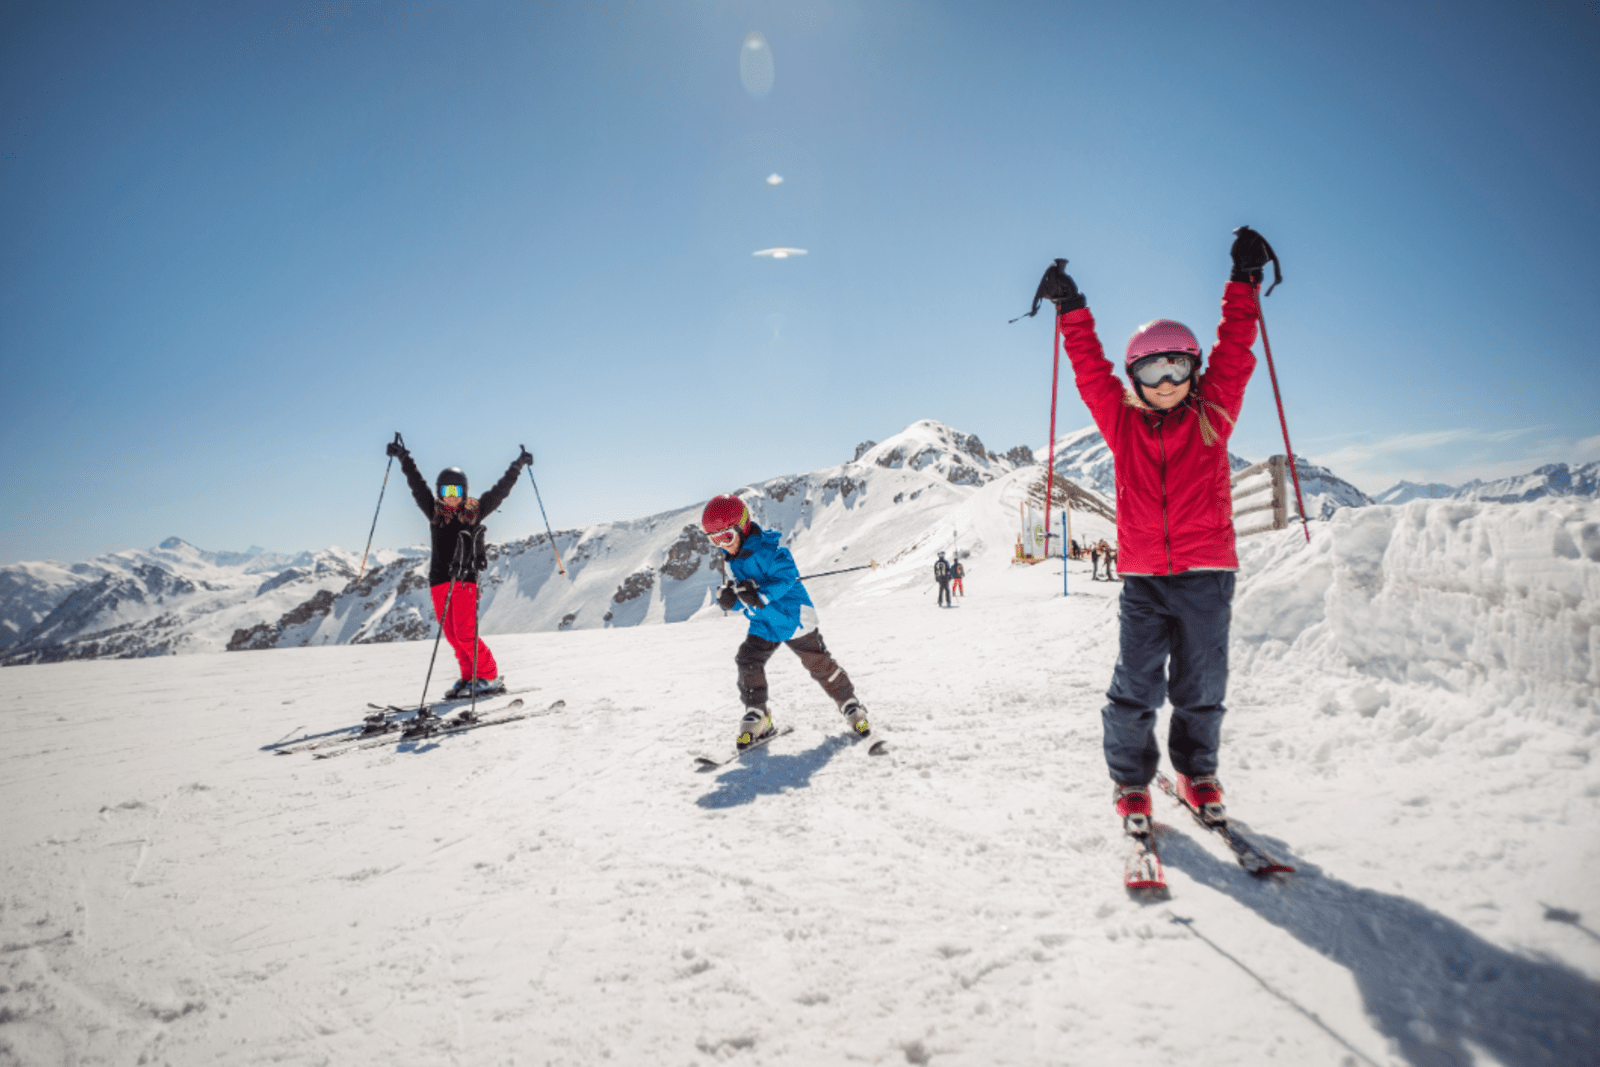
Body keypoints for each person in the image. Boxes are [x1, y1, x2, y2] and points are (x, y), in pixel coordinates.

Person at [1029, 226, 1270, 836]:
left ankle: (1198, 771)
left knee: (1200, 685)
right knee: (1134, 688)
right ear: (1135, 377)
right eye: (1153, 369)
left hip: (1207, 575)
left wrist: (1243, 283)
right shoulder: (1121, 423)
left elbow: (1237, 349)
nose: (1167, 381)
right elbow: (1089, 371)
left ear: (1193, 368)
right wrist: (1071, 309)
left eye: (1178, 365)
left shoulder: (1214, 413)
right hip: (1142, 579)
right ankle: (1131, 782)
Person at [702, 494, 871, 750]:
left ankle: (850, 704)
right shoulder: (735, 560)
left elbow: (787, 577)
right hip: (764, 623)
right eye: (715, 540)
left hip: (793, 619)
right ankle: (757, 714)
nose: (722, 546)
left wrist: (760, 595)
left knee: (818, 663)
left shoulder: (772, 551)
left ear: (742, 526)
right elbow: (745, 597)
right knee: (748, 660)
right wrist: (731, 600)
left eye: (726, 537)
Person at [387, 438, 533, 699]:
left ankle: (488, 676)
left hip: (465, 579)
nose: (451, 497)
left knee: (466, 634)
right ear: (440, 492)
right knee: (454, 636)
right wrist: (403, 457)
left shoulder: (475, 512)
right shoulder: (434, 513)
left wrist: (518, 465)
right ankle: (469, 677)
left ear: (464, 492)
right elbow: (416, 485)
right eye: (446, 491)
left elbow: (501, 490)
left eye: (456, 491)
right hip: (438, 581)